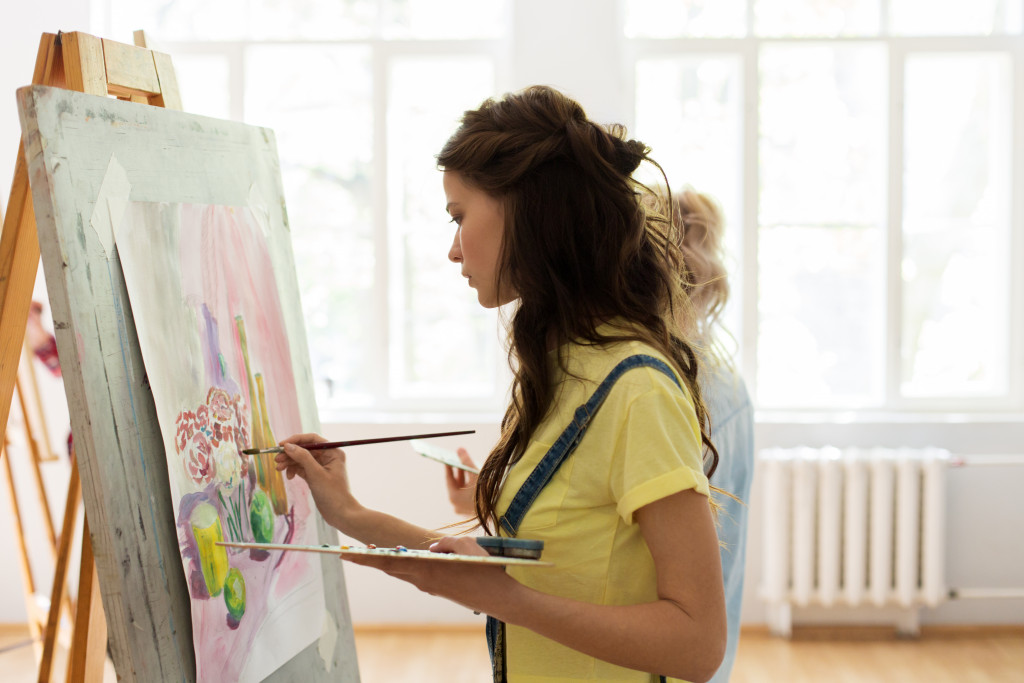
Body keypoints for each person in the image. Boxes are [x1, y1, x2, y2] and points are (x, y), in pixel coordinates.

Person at [275, 85, 726, 682]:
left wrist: (506, 599)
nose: (453, 249)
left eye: (460, 217)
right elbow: (525, 575)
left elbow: (698, 645)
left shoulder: (635, 387)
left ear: (528, 210)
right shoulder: (566, 369)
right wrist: (349, 513)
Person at [446, 188, 755, 682]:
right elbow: (609, 513)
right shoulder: (619, 375)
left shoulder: (656, 388)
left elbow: (686, 559)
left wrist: (508, 596)